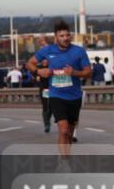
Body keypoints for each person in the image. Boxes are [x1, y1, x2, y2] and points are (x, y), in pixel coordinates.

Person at [26, 20, 92, 156]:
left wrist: (74, 72)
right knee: (63, 130)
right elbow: (29, 63)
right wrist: (39, 71)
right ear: (56, 37)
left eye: (67, 35)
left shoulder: (79, 51)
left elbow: (88, 72)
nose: (65, 38)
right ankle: (64, 161)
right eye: (62, 36)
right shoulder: (47, 50)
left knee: (69, 133)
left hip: (74, 97)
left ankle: (67, 155)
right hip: (56, 95)